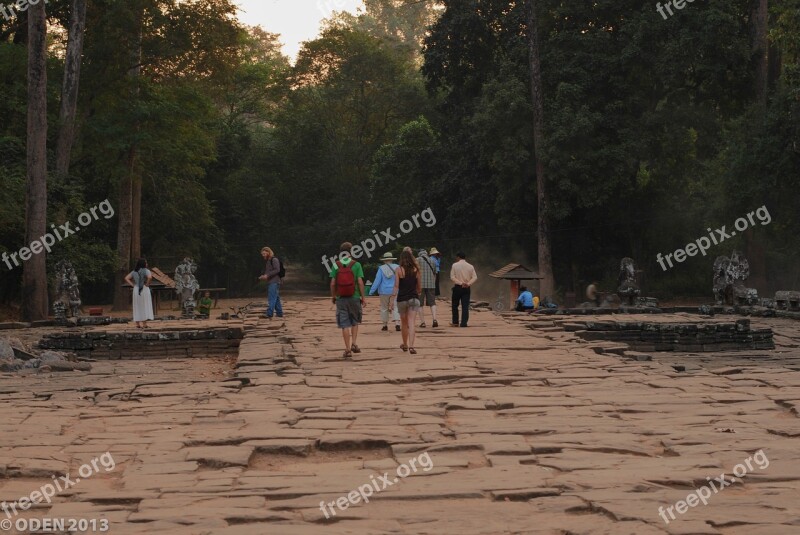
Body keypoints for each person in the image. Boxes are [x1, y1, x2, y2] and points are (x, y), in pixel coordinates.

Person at [330, 242, 366, 359]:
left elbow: (333, 283)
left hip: (341, 298)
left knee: (344, 324)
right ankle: (354, 343)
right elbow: (360, 281)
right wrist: (363, 297)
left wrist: (334, 296)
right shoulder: (356, 264)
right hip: (354, 297)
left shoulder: (336, 265)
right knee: (355, 321)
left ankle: (347, 349)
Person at [391, 249, 422, 354]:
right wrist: (417, 292)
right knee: (412, 322)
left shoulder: (399, 269)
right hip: (413, 298)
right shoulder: (416, 269)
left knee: (404, 323)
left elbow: (396, 286)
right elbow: (419, 287)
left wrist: (392, 299)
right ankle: (412, 346)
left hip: (402, 300)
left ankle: (405, 344)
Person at [368, 252, 401, 332]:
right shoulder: (397, 267)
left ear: (385, 260)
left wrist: (371, 291)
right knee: (396, 306)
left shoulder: (381, 268)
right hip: (395, 291)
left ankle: (385, 325)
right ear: (392, 260)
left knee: (384, 308)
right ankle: (397, 324)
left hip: (384, 291)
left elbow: (377, 280)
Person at [124, 258, 154, 329]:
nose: (147, 264)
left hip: (136, 289)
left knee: (137, 305)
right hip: (143, 289)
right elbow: (150, 277)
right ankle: (144, 324)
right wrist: (147, 284)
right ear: (143, 264)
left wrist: (133, 285)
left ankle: (137, 324)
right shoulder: (146, 271)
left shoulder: (134, 271)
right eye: (146, 263)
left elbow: (126, 278)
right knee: (143, 305)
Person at [450, 252, 478, 327]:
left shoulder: (455, 265)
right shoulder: (470, 266)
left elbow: (452, 277)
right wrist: (468, 284)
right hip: (466, 288)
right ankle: (463, 323)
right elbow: (475, 277)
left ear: (458, 257)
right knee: (465, 306)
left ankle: (455, 322)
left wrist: (460, 283)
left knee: (455, 305)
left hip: (458, 287)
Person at [259, 247, 283, 319]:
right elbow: (269, 272)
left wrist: (267, 275)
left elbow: (277, 270)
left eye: (264, 253)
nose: (263, 255)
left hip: (274, 282)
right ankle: (279, 313)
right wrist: (264, 276)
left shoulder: (274, 259)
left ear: (268, 252)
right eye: (262, 254)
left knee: (271, 298)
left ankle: (269, 313)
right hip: (271, 281)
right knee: (276, 297)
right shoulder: (269, 261)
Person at [416, 249, 438, 328]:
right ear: (426, 254)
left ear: (419, 254)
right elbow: (435, 273)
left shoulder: (417, 260)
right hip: (431, 284)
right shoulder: (433, 261)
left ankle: (423, 322)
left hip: (420, 285)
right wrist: (433, 282)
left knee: (420, 304)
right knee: (432, 303)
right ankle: (435, 319)